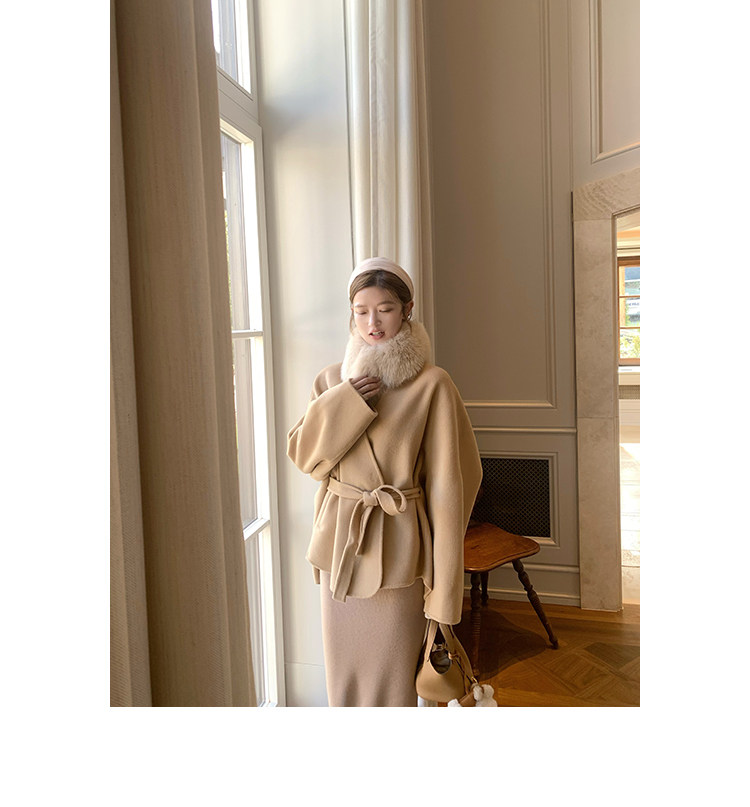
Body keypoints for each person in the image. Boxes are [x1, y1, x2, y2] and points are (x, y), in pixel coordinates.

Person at [287, 257, 482, 706]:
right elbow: (305, 458)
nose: (372, 323)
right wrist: (345, 402)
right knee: (344, 682)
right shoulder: (331, 380)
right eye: (361, 310)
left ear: (407, 309)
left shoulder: (433, 385)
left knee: (394, 683)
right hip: (341, 549)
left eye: (385, 309)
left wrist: (444, 591)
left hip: (400, 552)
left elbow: (452, 487)